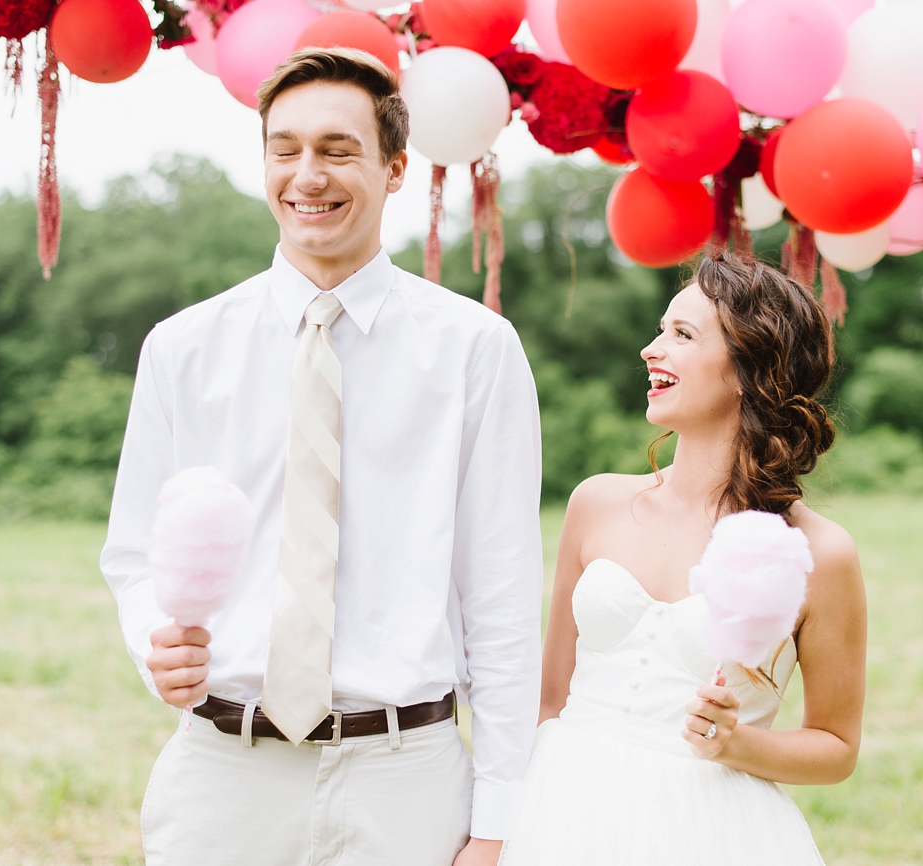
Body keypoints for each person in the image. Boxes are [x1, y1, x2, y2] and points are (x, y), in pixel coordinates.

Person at [100, 47, 543, 866]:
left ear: (396, 166)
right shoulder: (182, 349)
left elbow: (505, 600)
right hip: (224, 773)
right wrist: (153, 636)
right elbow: (133, 554)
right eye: (285, 149)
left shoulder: (475, 349)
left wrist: (498, 821)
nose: (308, 175)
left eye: (338, 150)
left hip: (407, 779)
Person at [500, 249, 867, 865]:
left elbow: (837, 746)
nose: (651, 348)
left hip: (715, 830)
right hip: (565, 815)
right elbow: (549, 701)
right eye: (660, 329)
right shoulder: (596, 503)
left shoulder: (817, 553)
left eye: (681, 334)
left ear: (749, 369)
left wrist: (736, 744)